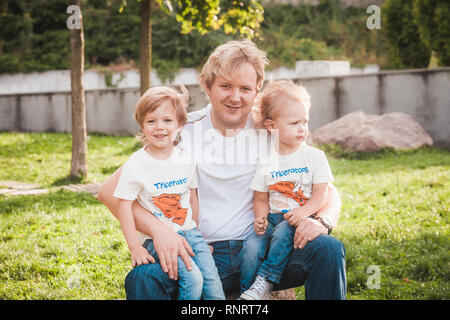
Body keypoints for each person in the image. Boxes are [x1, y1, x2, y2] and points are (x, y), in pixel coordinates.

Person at [97, 39, 346, 300]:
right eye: (225, 86)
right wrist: (160, 231)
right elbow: (109, 192)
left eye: (245, 88)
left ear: (257, 90)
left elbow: (329, 192)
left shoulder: (273, 131)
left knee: (327, 249)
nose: (235, 97)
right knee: (143, 277)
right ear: (207, 86)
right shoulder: (181, 131)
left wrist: (322, 221)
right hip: (200, 253)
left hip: (264, 253)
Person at [111, 85, 225, 300]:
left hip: (191, 234)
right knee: (193, 279)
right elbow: (123, 205)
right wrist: (134, 247)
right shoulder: (137, 163)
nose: (159, 127)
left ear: (180, 124)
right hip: (157, 239)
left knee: (213, 286)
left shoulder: (186, 158)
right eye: (151, 121)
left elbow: (192, 198)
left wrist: (197, 236)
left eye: (167, 120)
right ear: (142, 125)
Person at [239, 80, 335, 300]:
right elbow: (261, 198)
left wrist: (303, 213)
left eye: (305, 122)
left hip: (297, 218)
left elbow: (322, 193)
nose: (302, 128)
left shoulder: (314, 157)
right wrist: (260, 219)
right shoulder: (266, 160)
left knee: (283, 232)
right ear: (272, 126)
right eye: (294, 123)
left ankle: (265, 280)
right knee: (251, 248)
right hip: (272, 217)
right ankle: (248, 293)